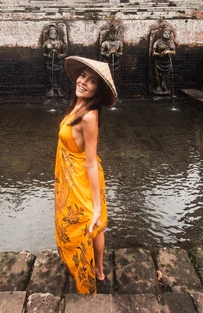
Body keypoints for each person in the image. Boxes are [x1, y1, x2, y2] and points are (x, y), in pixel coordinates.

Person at [55, 56, 117, 294]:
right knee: (80, 224)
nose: (83, 82)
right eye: (83, 76)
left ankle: (98, 270)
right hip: (72, 176)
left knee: (94, 224)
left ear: (97, 90)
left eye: (92, 81)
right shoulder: (77, 106)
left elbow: (91, 162)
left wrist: (98, 205)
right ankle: (87, 264)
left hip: (83, 176)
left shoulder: (89, 116)